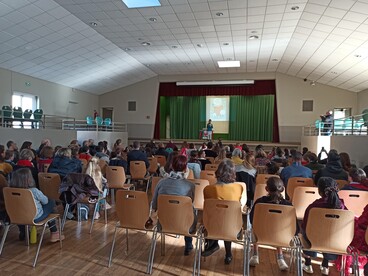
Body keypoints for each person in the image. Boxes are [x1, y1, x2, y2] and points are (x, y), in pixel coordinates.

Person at [150, 155, 196, 256]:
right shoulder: (190, 185)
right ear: (185, 168)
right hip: (185, 223)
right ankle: (188, 243)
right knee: (190, 211)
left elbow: (154, 203)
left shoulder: (161, 182)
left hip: (163, 222)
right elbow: (191, 202)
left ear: (172, 166)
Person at [302, 177, 347, 275]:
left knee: (304, 231)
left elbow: (305, 225)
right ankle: (325, 266)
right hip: (335, 241)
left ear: (319, 191)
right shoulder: (342, 206)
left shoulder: (313, 207)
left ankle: (308, 264)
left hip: (313, 239)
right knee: (330, 235)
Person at [201, 159, 243, 264]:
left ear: (218, 171)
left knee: (216, 217)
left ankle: (212, 244)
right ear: (233, 173)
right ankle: (228, 254)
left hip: (211, 226)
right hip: (233, 228)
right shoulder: (239, 187)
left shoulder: (207, 189)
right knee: (226, 219)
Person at [249, 177, 293, 271]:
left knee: (255, 227)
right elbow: (293, 225)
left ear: (266, 189)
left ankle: (255, 254)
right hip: (282, 236)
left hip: (260, 234)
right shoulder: (288, 206)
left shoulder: (259, 202)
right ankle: (280, 257)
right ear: (282, 189)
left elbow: (251, 219)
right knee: (279, 228)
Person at [11, 168, 64, 242]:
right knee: (51, 201)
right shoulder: (34, 191)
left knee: (20, 212)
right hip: (35, 217)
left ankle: (24, 233)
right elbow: (45, 201)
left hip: (16, 217)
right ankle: (54, 232)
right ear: (29, 179)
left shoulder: (9, 192)